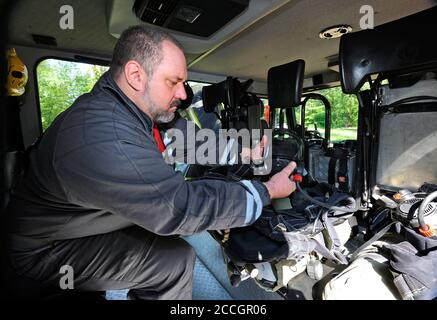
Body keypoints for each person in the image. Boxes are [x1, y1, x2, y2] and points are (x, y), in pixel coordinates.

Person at [5, 25, 296, 300]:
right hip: (44, 246)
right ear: (136, 75)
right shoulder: (107, 136)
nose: (183, 94)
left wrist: (246, 153)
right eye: (174, 82)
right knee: (174, 261)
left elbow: (185, 141)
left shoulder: (129, 112)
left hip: (75, 223)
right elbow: (179, 208)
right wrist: (266, 191)